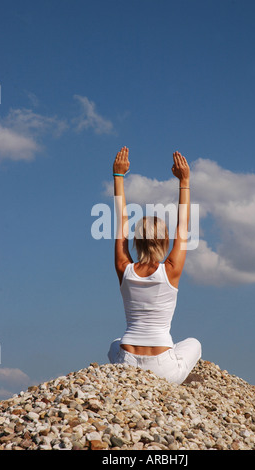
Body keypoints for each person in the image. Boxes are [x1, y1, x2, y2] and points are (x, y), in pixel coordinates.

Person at [108, 146, 201, 384]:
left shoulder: (124, 267)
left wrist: (118, 177)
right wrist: (185, 181)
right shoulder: (170, 269)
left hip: (125, 363)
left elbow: (121, 225)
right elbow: (183, 226)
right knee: (194, 344)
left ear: (136, 241)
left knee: (113, 344)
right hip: (163, 369)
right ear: (166, 241)